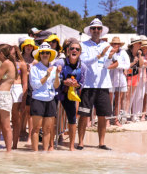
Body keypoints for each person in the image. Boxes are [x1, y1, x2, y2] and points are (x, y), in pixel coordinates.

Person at [78, 18, 115, 150]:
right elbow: (84, 63)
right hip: (88, 85)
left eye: (99, 28)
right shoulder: (83, 45)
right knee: (83, 115)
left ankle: (101, 143)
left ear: (101, 31)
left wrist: (109, 57)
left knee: (102, 115)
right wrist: (99, 55)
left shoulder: (107, 46)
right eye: (94, 28)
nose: (96, 31)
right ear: (90, 30)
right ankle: (81, 142)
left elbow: (106, 65)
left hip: (103, 84)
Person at [29, 42, 61, 151]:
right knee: (36, 128)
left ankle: (45, 152)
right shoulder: (34, 68)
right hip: (38, 99)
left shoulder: (54, 69)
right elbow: (35, 85)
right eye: (43, 52)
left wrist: (56, 74)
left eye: (47, 52)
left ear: (50, 54)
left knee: (48, 129)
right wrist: (47, 75)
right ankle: (35, 152)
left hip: (50, 99)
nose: (45, 54)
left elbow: (56, 85)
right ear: (39, 54)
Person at [55, 40, 84, 151]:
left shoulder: (83, 66)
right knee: (53, 118)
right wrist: (64, 82)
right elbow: (54, 78)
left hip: (70, 95)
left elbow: (82, 84)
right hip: (57, 93)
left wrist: (76, 85)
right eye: (72, 48)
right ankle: (52, 145)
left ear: (80, 52)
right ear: (67, 51)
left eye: (77, 49)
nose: (74, 50)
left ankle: (71, 147)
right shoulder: (60, 63)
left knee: (72, 119)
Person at [0, 44, 16, 152]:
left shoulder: (6, 63)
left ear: (1, 53)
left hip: (3, 96)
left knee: (5, 125)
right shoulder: (7, 63)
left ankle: (8, 150)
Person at [106, 37, 129, 126]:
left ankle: (116, 119)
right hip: (111, 77)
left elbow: (127, 65)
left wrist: (116, 65)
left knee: (118, 100)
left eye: (117, 44)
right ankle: (107, 119)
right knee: (109, 100)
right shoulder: (109, 52)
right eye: (114, 44)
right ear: (112, 44)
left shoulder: (123, 53)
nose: (116, 45)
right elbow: (107, 64)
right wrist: (116, 65)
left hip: (121, 78)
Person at [18, 38, 36, 144]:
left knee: (28, 112)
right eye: (27, 46)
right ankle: (21, 132)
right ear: (23, 47)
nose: (29, 47)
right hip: (18, 86)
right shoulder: (19, 59)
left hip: (31, 87)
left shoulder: (35, 60)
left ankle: (28, 135)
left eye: (31, 46)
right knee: (20, 111)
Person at [126, 36, 144, 122]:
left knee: (131, 96)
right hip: (127, 76)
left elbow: (141, 65)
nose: (141, 45)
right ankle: (124, 115)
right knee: (126, 97)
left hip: (135, 76)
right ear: (134, 44)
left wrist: (140, 56)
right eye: (139, 43)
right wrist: (133, 62)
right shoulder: (126, 53)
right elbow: (125, 65)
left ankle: (130, 115)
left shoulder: (138, 53)